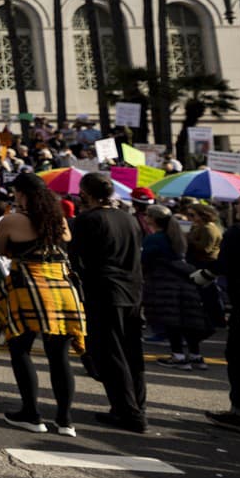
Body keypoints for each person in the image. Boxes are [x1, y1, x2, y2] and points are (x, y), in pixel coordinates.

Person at [0, 173, 86, 437]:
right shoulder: (59, 219)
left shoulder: (12, 220)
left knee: (20, 349)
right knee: (59, 356)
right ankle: (65, 421)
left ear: (21, 193)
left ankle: (31, 414)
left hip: (29, 287)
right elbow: (66, 241)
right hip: (62, 288)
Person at [70, 172, 147, 433]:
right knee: (131, 351)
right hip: (132, 290)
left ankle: (128, 412)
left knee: (110, 353)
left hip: (105, 291)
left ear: (85, 193)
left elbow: (76, 259)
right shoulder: (128, 218)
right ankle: (135, 406)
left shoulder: (88, 220)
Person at [143, 204, 212, 370]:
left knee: (171, 320)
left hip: (163, 283)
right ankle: (195, 356)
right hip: (185, 280)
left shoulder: (154, 239)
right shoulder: (177, 236)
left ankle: (178, 356)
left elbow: (144, 260)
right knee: (188, 320)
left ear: (152, 219)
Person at [205, 194, 240, 430]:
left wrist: (205, 274)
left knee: (238, 356)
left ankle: (239, 412)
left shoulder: (237, 233)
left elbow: (224, 264)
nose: (235, 206)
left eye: (239, 203)